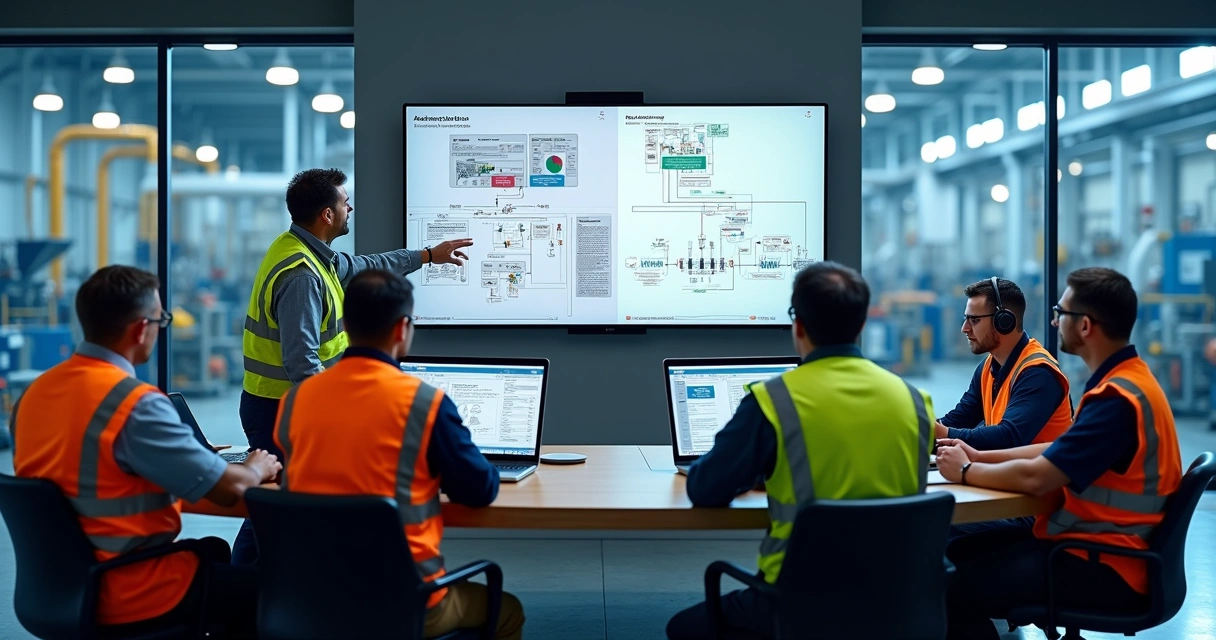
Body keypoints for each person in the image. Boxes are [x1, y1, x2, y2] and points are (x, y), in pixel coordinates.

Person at [667, 261, 934, 640]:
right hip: (898, 598)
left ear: (800, 325)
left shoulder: (773, 399)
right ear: (861, 326)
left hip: (797, 601)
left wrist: (757, 471)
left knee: (683, 628)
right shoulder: (914, 399)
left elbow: (705, 489)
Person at [11, 265, 280, 637]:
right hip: (131, 589)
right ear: (141, 329)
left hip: (59, 587)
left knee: (220, 564)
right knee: (273, 595)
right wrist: (256, 467)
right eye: (161, 319)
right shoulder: (133, 404)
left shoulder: (33, 395)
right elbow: (229, 489)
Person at [235, 167, 472, 564]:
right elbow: (301, 361)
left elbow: (366, 264)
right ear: (327, 215)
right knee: (270, 509)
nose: (351, 208)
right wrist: (336, 414)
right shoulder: (302, 276)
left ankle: (263, 588)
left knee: (276, 506)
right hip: (281, 406)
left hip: (283, 403)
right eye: (345, 203)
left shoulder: (307, 252)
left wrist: (429, 256)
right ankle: (242, 593)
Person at [271, 269, 524, 639]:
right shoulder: (425, 403)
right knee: (508, 611)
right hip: (407, 603)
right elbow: (479, 490)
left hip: (311, 599)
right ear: (402, 328)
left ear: (346, 323)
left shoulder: (295, 400)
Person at [935, 267, 1182, 640]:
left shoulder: (1116, 400)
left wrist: (967, 470)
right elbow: (1055, 450)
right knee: (952, 555)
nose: (1053, 320)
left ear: (1084, 326)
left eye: (1060, 313)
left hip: (1104, 564)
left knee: (949, 587)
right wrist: (977, 456)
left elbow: (1038, 477)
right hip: (1100, 550)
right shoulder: (1128, 383)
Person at [936, 277, 1072, 450]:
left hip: (1044, 477)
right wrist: (922, 431)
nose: (965, 328)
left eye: (974, 320)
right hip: (1010, 474)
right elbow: (958, 419)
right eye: (966, 319)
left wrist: (944, 434)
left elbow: (1009, 437)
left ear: (1004, 321)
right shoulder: (987, 368)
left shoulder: (1038, 373)